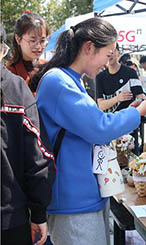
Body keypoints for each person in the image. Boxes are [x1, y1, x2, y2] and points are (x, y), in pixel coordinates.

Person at [31, 18, 146, 245]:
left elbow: (95, 122)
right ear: (89, 47)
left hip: (83, 195)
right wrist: (137, 114)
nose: (108, 63)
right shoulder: (59, 83)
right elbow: (99, 128)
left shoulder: (70, 80)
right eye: (108, 55)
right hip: (72, 200)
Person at [1, 24, 55, 245]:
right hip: (10, 216)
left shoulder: (21, 83)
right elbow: (38, 157)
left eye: (42, 40)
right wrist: (39, 211)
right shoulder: (16, 87)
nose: (38, 46)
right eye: (32, 39)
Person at [96, 43, 144, 155]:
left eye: (112, 50)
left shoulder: (131, 73)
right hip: (109, 126)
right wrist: (118, 98)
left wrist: (134, 108)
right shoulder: (100, 77)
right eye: (106, 51)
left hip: (129, 126)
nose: (110, 54)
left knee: (131, 161)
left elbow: (140, 98)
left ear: (118, 52)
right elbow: (100, 105)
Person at [7, 12, 49, 95]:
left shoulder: (48, 67)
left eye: (42, 41)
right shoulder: (10, 73)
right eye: (33, 41)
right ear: (18, 39)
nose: (38, 46)